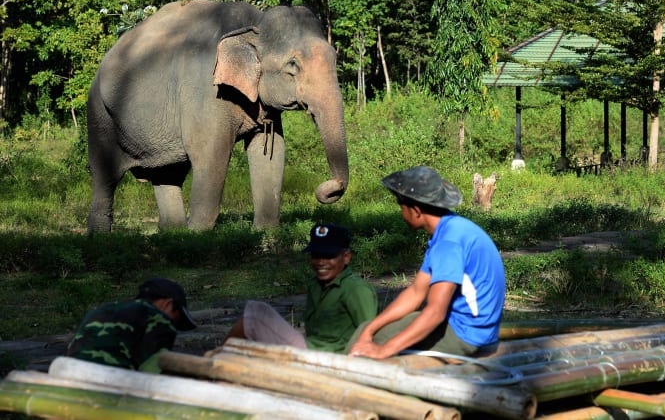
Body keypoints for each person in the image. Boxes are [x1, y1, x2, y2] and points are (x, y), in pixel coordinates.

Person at [348, 165, 505, 360]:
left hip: (467, 335)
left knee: (369, 346)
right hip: (466, 325)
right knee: (366, 331)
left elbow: (435, 312)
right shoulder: (450, 229)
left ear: (415, 210)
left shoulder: (448, 243)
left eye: (401, 207)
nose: (401, 213)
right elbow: (416, 292)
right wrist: (370, 328)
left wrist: (385, 349)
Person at [224, 223, 378, 353]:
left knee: (256, 314)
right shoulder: (315, 284)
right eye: (316, 255)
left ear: (346, 257)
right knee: (256, 312)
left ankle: (216, 359)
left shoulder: (357, 289)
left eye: (328, 256)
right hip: (309, 348)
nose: (321, 262)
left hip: (330, 358)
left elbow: (371, 333)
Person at [67, 277, 197, 372]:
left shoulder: (100, 311)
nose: (174, 324)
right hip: (110, 389)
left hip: (67, 377)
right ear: (168, 304)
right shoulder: (159, 318)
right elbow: (154, 373)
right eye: (176, 319)